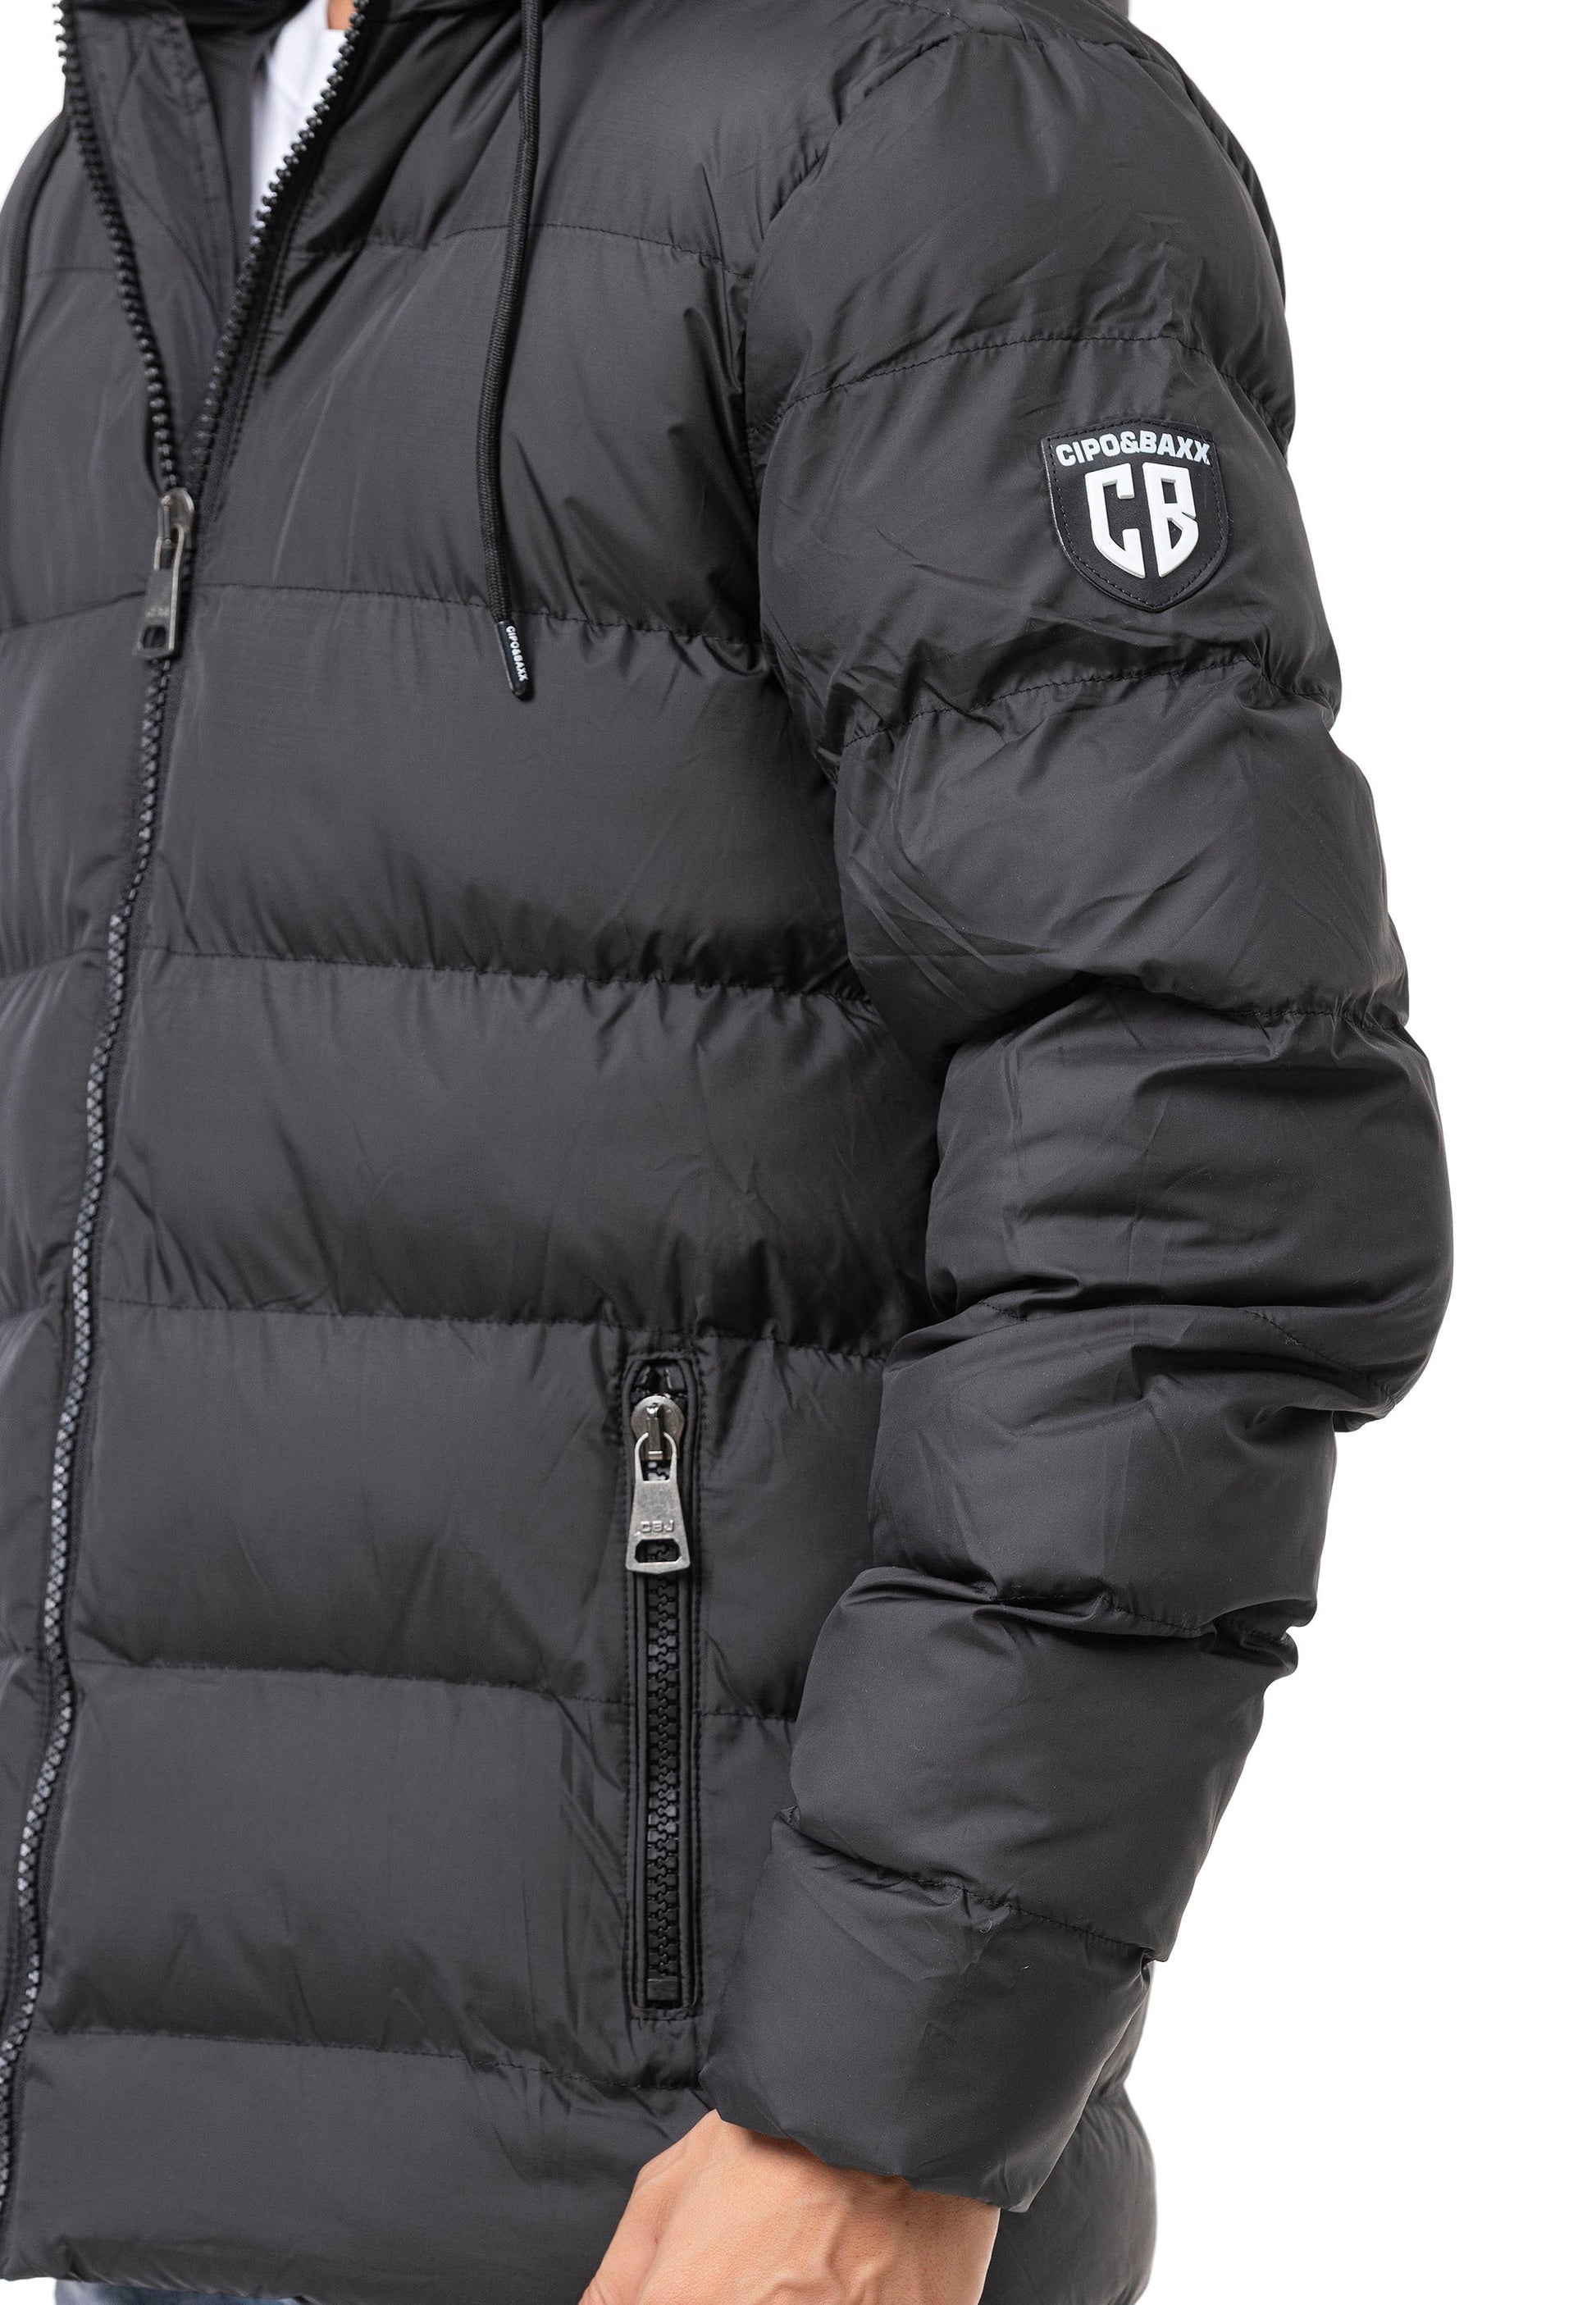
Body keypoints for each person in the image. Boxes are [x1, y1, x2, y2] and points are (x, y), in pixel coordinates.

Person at [0, 0, 1451, 2298]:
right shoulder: (118, 180)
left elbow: (1197, 1154)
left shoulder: (920, 121)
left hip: (694, 2204)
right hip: (140, 2190)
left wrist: (887, 2104)